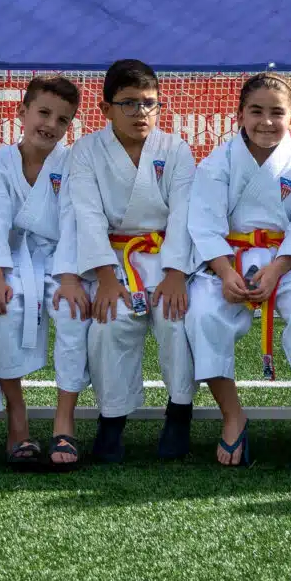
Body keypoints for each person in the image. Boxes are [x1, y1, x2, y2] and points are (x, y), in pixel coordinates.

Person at [185, 73, 291, 469]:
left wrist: (276, 270)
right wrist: (222, 272)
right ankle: (232, 414)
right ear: (239, 114)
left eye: (277, 112)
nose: (266, 121)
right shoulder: (217, 162)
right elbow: (203, 223)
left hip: (287, 261)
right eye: (256, 111)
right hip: (228, 260)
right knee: (202, 312)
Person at [0, 75, 88, 471]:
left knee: (73, 313)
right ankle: (17, 418)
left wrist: (70, 278)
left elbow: (74, 222)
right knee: (0, 308)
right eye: (43, 112)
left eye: (62, 120)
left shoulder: (72, 163)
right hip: (9, 257)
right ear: (22, 112)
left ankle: (65, 420)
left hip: (61, 261)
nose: (50, 124)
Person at [65, 58, 197, 463]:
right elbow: (86, 215)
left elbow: (184, 213)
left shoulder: (175, 149)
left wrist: (176, 274)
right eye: (128, 104)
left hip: (166, 257)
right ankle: (112, 420)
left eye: (149, 103)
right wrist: (105, 278)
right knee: (107, 325)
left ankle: (179, 413)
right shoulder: (86, 151)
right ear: (105, 109)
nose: (141, 113)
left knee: (177, 321)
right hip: (113, 259)